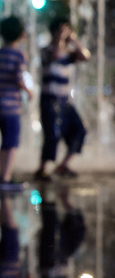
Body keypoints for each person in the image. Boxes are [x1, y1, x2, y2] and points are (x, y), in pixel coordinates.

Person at [34, 17, 90, 181]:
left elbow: (85, 57)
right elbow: (56, 55)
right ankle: (42, 169)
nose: (65, 34)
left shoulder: (70, 54)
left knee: (80, 130)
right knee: (52, 134)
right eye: (62, 30)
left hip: (66, 101)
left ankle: (63, 165)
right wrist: (59, 38)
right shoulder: (47, 50)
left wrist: (74, 40)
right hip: (49, 100)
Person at [0, 15, 33, 192]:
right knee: (12, 142)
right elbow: (18, 77)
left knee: (5, 140)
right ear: (21, 34)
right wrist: (28, 91)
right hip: (11, 106)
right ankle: (6, 178)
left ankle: (2, 174)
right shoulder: (18, 54)